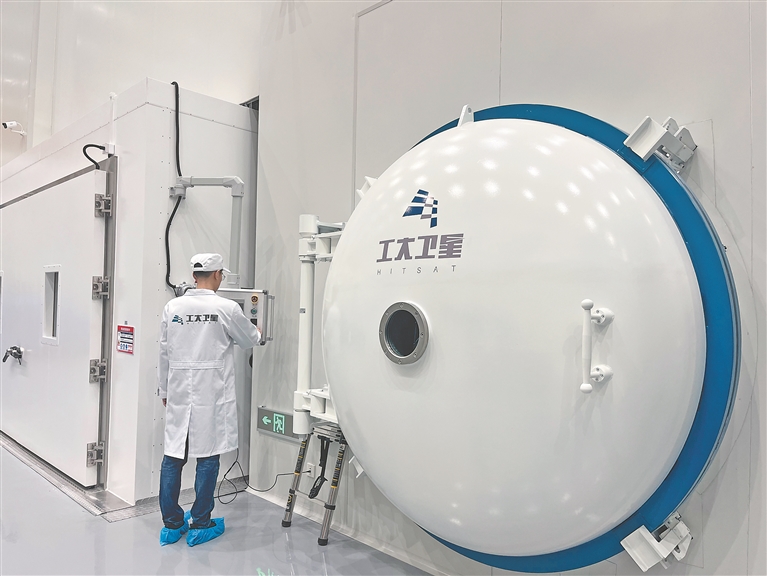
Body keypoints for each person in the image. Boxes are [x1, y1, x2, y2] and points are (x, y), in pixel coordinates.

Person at [157, 253, 261, 546]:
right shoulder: (225, 308)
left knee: (173, 455)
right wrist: (258, 330)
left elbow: (163, 351)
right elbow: (250, 339)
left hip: (179, 390)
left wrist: (164, 390)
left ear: (194, 276)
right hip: (211, 392)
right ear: (217, 275)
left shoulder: (173, 307)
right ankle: (201, 523)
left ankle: (172, 525)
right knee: (208, 456)